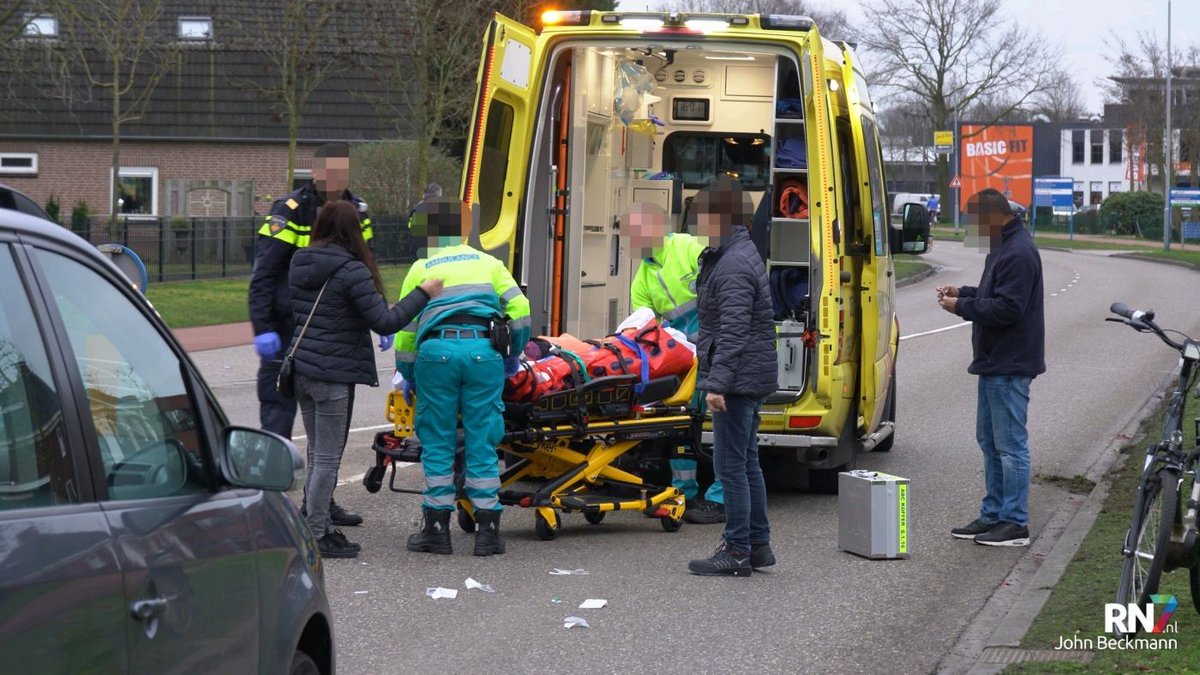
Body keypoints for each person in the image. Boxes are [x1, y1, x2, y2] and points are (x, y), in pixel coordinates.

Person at [288, 200, 441, 558]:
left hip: (301, 369)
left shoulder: (300, 262)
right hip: (332, 374)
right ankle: (317, 534)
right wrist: (424, 294)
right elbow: (384, 322)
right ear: (352, 230)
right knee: (327, 457)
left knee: (316, 451)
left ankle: (314, 517)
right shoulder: (350, 270)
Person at [394, 198, 530, 557]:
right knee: (482, 437)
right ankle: (488, 531)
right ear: (463, 229)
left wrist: (409, 375)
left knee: (438, 440)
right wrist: (512, 352)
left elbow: (406, 331)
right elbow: (520, 310)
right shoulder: (490, 264)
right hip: (483, 352)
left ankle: (436, 530)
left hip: (435, 355)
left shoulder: (421, 267)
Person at [248, 141, 372, 528]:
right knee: (278, 415)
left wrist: (374, 312)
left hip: (336, 329)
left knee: (332, 428)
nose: (334, 176)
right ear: (314, 171)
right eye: (327, 169)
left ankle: (321, 502)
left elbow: (366, 262)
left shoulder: (357, 210)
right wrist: (264, 328)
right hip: (288, 329)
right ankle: (267, 504)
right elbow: (264, 274)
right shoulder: (290, 211)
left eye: (341, 169)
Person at [938, 187, 1044, 547]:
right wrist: (965, 293)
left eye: (976, 223)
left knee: (1011, 445)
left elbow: (1008, 309)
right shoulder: (1003, 247)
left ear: (996, 216)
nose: (974, 230)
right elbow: (992, 293)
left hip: (1009, 363)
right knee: (990, 441)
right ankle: (993, 515)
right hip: (993, 362)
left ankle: (1015, 523)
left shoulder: (1018, 252)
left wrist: (960, 308)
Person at [686, 177, 778, 577]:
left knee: (731, 467)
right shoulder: (735, 253)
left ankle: (738, 550)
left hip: (738, 380)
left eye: (703, 215)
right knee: (747, 462)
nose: (698, 224)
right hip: (747, 375)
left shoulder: (734, 262)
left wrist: (717, 384)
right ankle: (758, 545)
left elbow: (734, 329)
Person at [623, 201, 726, 524]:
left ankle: (723, 498)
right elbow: (645, 327)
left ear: (660, 229)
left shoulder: (687, 247)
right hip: (686, 357)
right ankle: (682, 492)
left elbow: (722, 287)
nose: (636, 240)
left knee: (726, 426)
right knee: (683, 426)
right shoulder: (643, 277)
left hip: (720, 346)